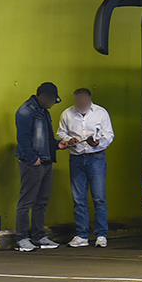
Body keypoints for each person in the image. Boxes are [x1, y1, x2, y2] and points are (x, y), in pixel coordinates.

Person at [57, 88, 115, 248]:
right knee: (78, 198)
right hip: (76, 158)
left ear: (89, 101)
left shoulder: (101, 113)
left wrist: (98, 143)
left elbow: (109, 135)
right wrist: (69, 139)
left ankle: (101, 234)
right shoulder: (67, 114)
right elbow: (60, 133)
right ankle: (81, 235)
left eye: (84, 101)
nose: (81, 104)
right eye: (79, 101)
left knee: (99, 198)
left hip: (96, 157)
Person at [15, 82, 67, 252]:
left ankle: (38, 236)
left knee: (41, 201)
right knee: (27, 200)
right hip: (33, 162)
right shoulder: (26, 111)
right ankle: (22, 238)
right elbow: (22, 138)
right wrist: (32, 158)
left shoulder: (43, 112)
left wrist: (58, 145)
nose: (52, 103)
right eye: (51, 99)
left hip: (45, 160)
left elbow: (46, 138)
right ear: (42, 96)